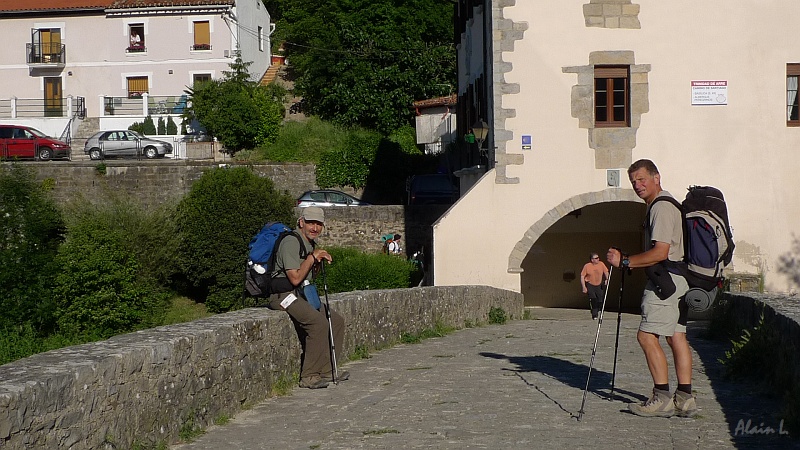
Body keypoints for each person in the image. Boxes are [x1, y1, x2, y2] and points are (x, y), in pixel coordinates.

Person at [606, 159, 697, 418]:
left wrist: (625, 262)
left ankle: (662, 398)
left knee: (646, 336)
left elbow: (660, 252)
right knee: (676, 336)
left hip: (665, 280)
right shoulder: (668, 204)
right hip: (680, 280)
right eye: (634, 181)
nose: (637, 185)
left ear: (657, 177)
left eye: (642, 179)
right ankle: (685, 398)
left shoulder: (661, 208)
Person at [268, 207, 348, 389]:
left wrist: (316, 262)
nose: (315, 228)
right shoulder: (291, 242)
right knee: (318, 323)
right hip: (283, 295)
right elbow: (295, 278)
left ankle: (327, 370)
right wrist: (312, 258)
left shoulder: (309, 243)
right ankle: (309, 375)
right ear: (301, 222)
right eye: (311, 223)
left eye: (319, 224)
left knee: (336, 321)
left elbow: (307, 276)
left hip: (301, 293)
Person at [580, 252, 609, 320]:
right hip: (590, 284)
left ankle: (598, 309)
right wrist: (584, 287)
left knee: (600, 299)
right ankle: (594, 314)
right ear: (592, 260)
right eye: (596, 258)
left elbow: (606, 272)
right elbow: (582, 276)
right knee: (593, 299)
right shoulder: (587, 266)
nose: (598, 259)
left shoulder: (601, 264)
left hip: (599, 284)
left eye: (598, 258)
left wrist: (607, 279)